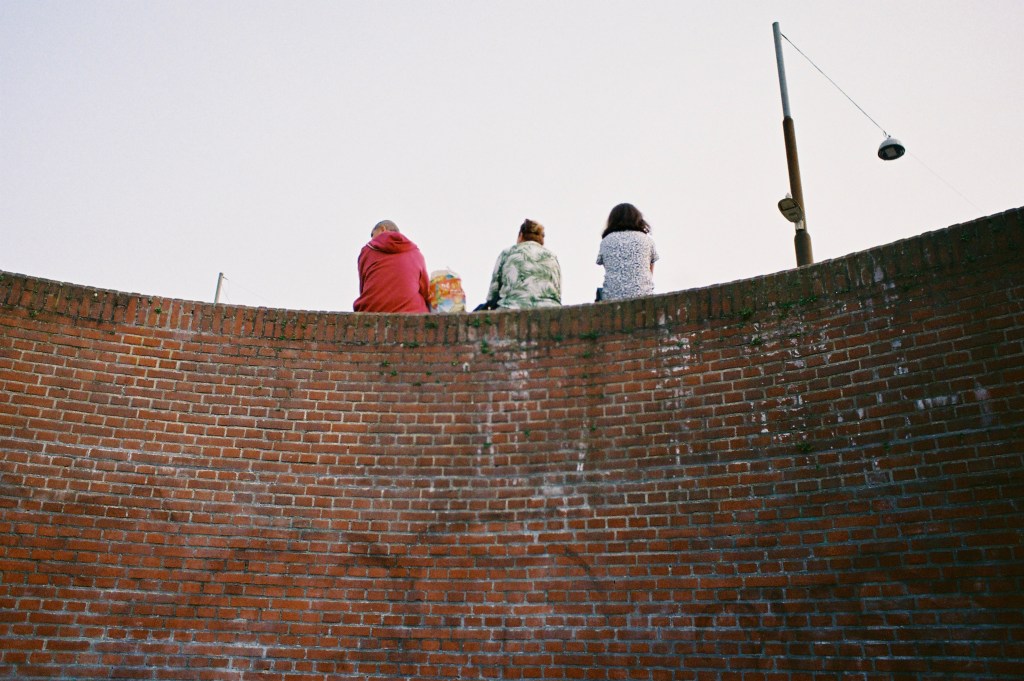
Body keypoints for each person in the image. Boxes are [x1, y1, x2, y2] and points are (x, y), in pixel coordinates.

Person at [353, 219, 430, 313]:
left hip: (373, 311)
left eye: (372, 235)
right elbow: (426, 291)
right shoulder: (416, 253)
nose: (372, 240)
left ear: (382, 229)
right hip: (412, 312)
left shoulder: (367, 250)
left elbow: (364, 286)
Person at [483, 219, 561, 310]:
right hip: (550, 309)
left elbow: (493, 293)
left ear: (521, 235)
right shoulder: (552, 256)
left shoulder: (508, 252)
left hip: (512, 307)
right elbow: (557, 292)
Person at [596, 203, 658, 301]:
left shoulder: (606, 241)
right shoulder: (646, 240)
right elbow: (649, 271)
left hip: (612, 299)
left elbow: (609, 268)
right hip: (644, 298)